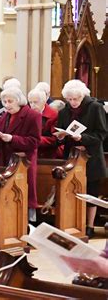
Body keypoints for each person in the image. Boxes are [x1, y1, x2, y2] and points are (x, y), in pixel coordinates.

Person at [55, 80, 107, 239]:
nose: (73, 102)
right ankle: (72, 225)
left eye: (75, 99)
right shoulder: (64, 111)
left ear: (83, 95)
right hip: (71, 157)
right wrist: (61, 136)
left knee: (91, 191)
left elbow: (102, 133)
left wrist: (82, 137)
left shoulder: (95, 107)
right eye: (69, 99)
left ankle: (90, 226)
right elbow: (60, 133)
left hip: (91, 156)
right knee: (71, 191)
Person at [0, 86, 41, 222]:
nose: (7, 105)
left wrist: (13, 138)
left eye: (10, 101)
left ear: (19, 100)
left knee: (23, 195)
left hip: (23, 162)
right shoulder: (3, 118)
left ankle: (26, 226)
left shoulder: (32, 116)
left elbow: (34, 141)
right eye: (5, 102)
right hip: (4, 161)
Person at [27, 88, 61, 159]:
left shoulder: (54, 115)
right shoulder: (27, 114)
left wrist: (36, 140)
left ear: (44, 101)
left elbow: (55, 139)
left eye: (35, 102)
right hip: (30, 153)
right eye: (30, 102)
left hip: (47, 155)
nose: (32, 105)